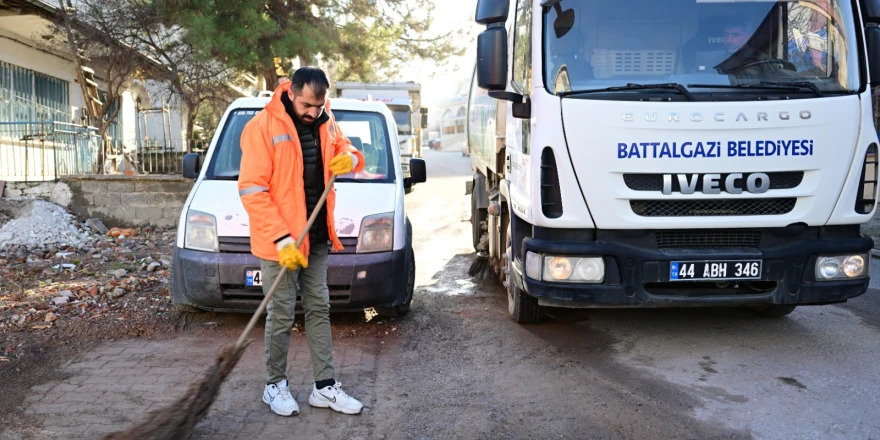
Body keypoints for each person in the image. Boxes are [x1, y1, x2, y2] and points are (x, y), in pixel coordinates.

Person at [238, 67, 366, 417]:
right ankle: (273, 385)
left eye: (319, 104)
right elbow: (252, 191)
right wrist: (282, 239)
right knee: (280, 314)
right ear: (291, 92)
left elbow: (347, 149)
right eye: (307, 104)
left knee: (319, 308)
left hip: (317, 235)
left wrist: (350, 158)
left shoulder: (326, 119)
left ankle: (324, 387)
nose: (313, 111)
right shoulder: (261, 129)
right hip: (279, 241)